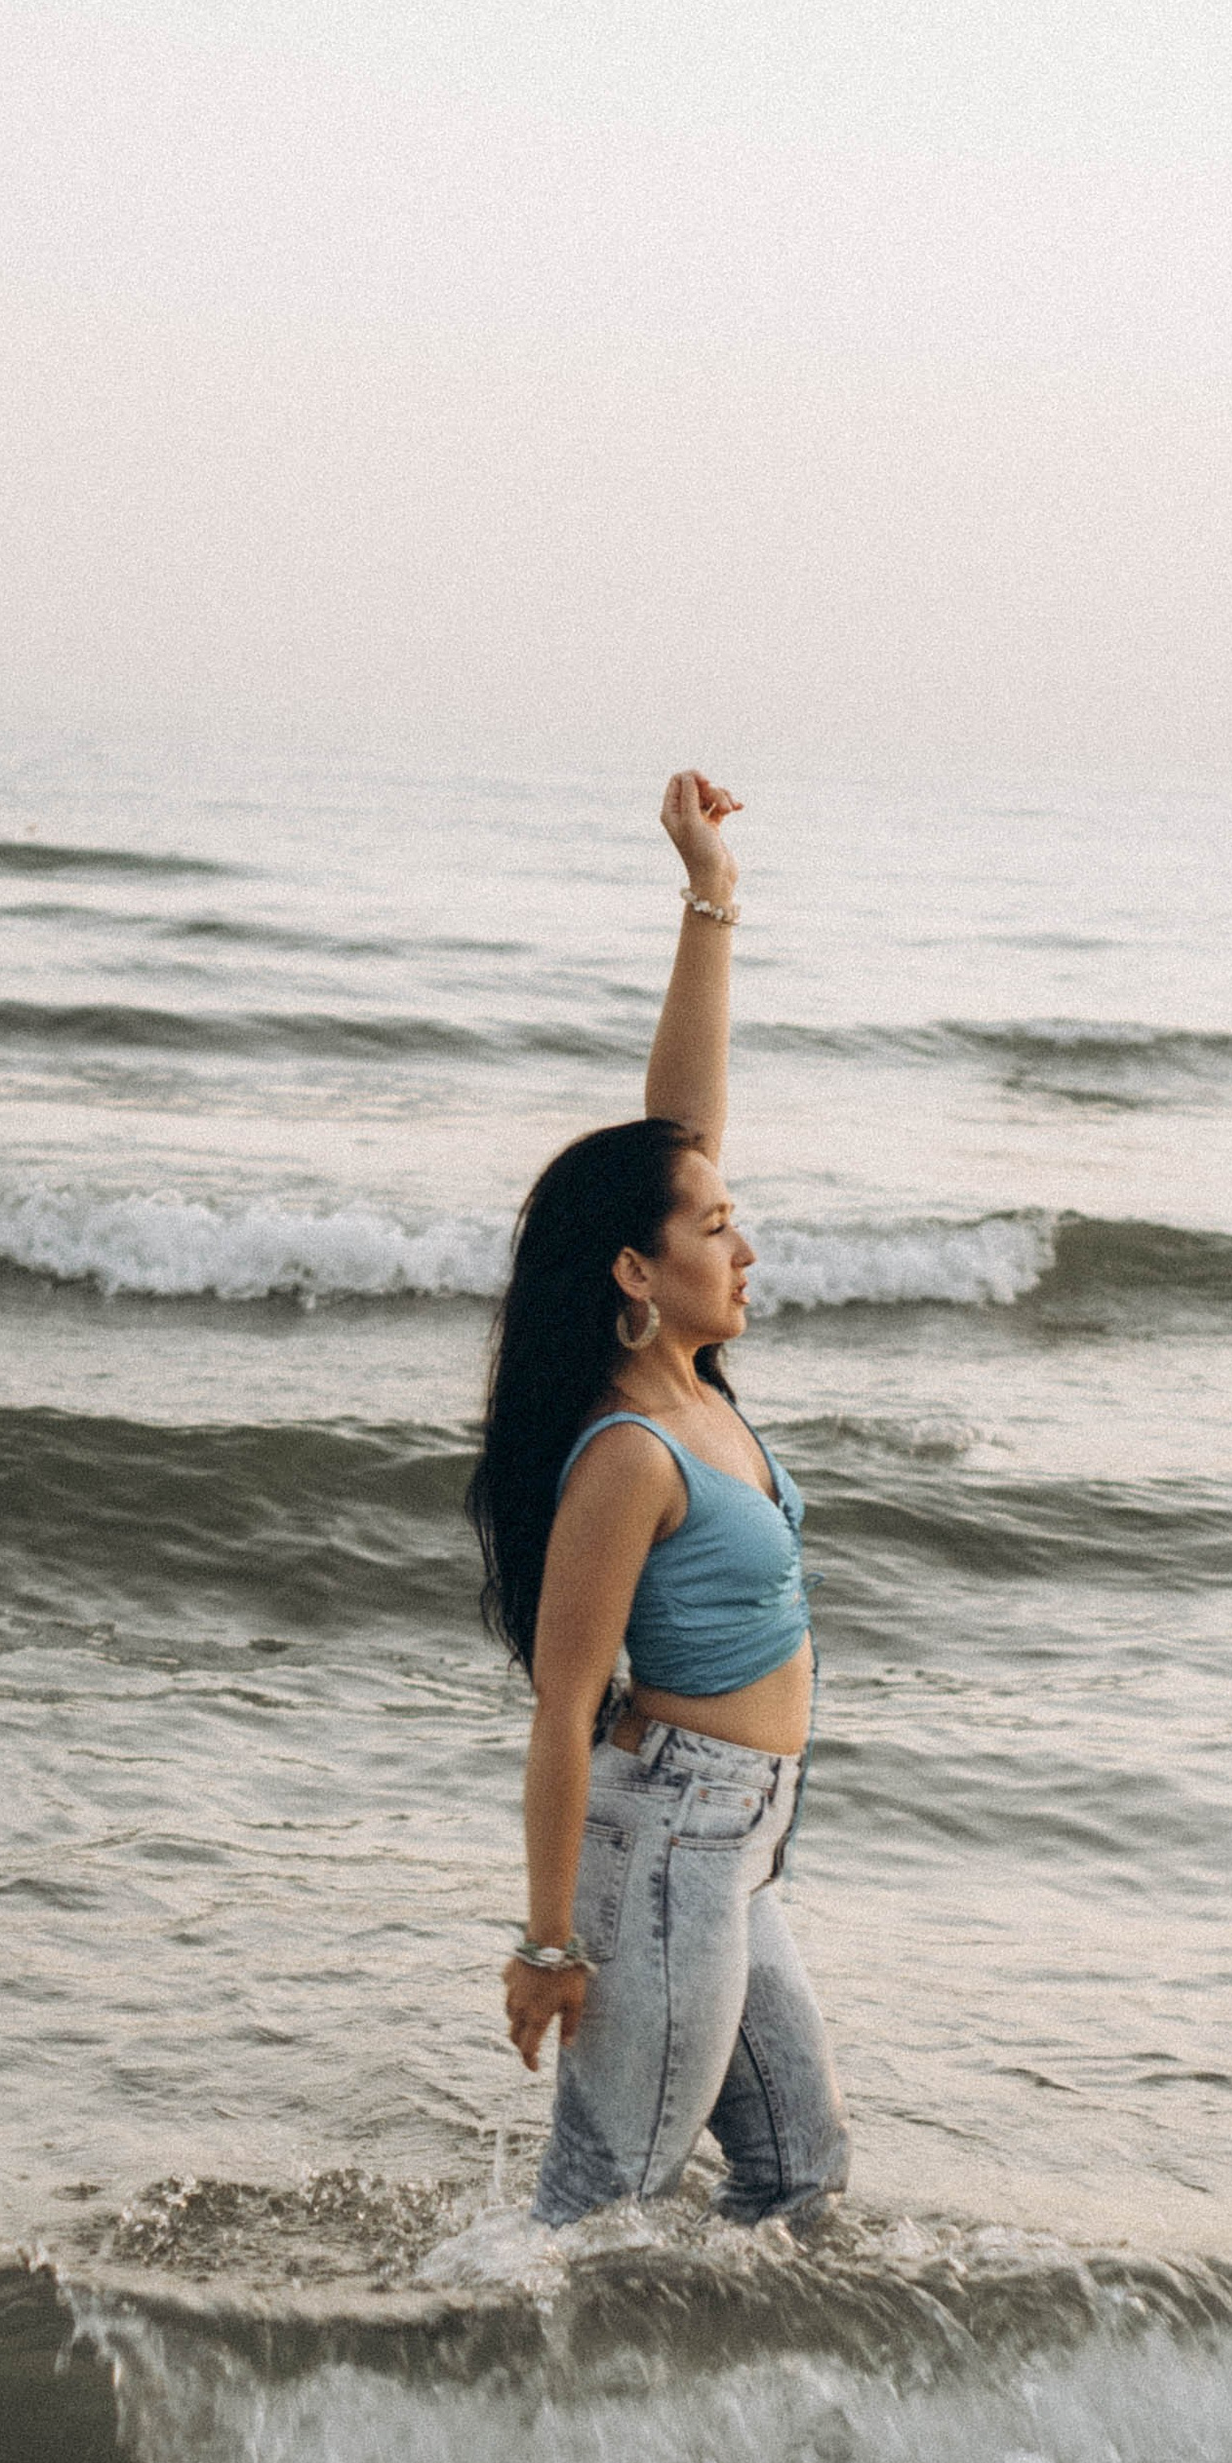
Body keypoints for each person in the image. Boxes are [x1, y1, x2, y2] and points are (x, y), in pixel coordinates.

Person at [465, 770, 851, 2231]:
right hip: (678, 1838)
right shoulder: (630, 1449)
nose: (742, 1243)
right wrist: (549, 1941)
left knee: (797, 2178)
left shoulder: (696, 1391)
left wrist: (712, 899)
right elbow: (564, 1708)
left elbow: (675, 1130)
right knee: (601, 2210)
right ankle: (462, 2415)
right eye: (714, 1227)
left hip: (742, 1843)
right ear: (636, 1271)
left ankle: (697, 2453)